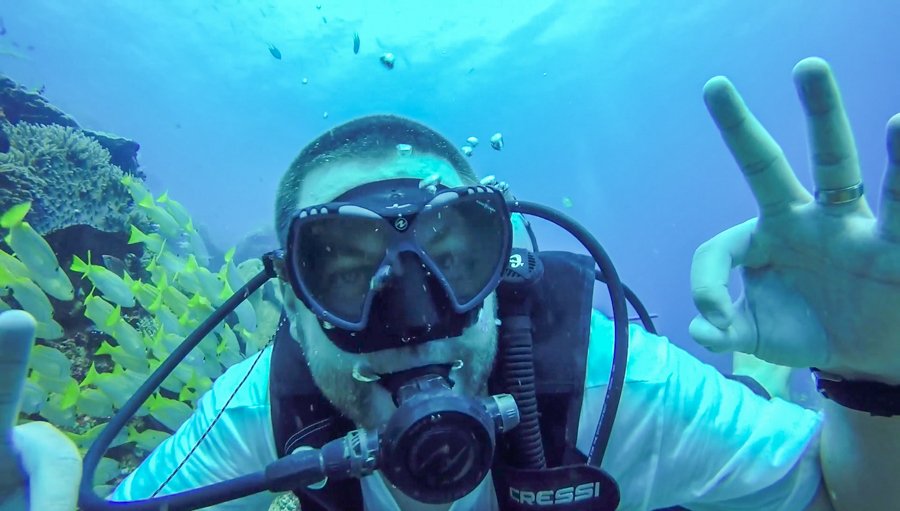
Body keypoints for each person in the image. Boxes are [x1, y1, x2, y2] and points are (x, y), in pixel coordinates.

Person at [2, 56, 899, 510]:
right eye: (345, 268)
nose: (415, 317)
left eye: (451, 252)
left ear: (504, 265)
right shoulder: (262, 410)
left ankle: (773, 381)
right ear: (290, 301)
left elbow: (841, 495)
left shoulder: (598, 383)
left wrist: (872, 376)